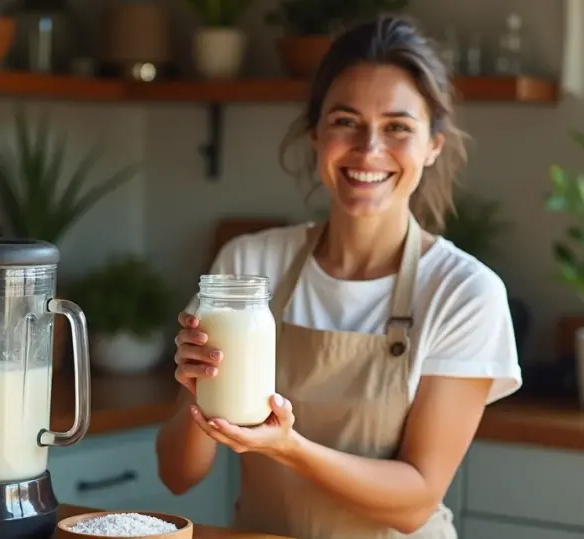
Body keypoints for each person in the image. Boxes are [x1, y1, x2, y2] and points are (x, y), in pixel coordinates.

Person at [155, 14, 522, 539]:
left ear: (432, 145)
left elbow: (415, 501)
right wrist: (196, 391)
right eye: (346, 121)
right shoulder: (248, 269)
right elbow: (176, 476)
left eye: (398, 127)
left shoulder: (464, 292)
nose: (369, 149)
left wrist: (289, 448)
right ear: (316, 132)